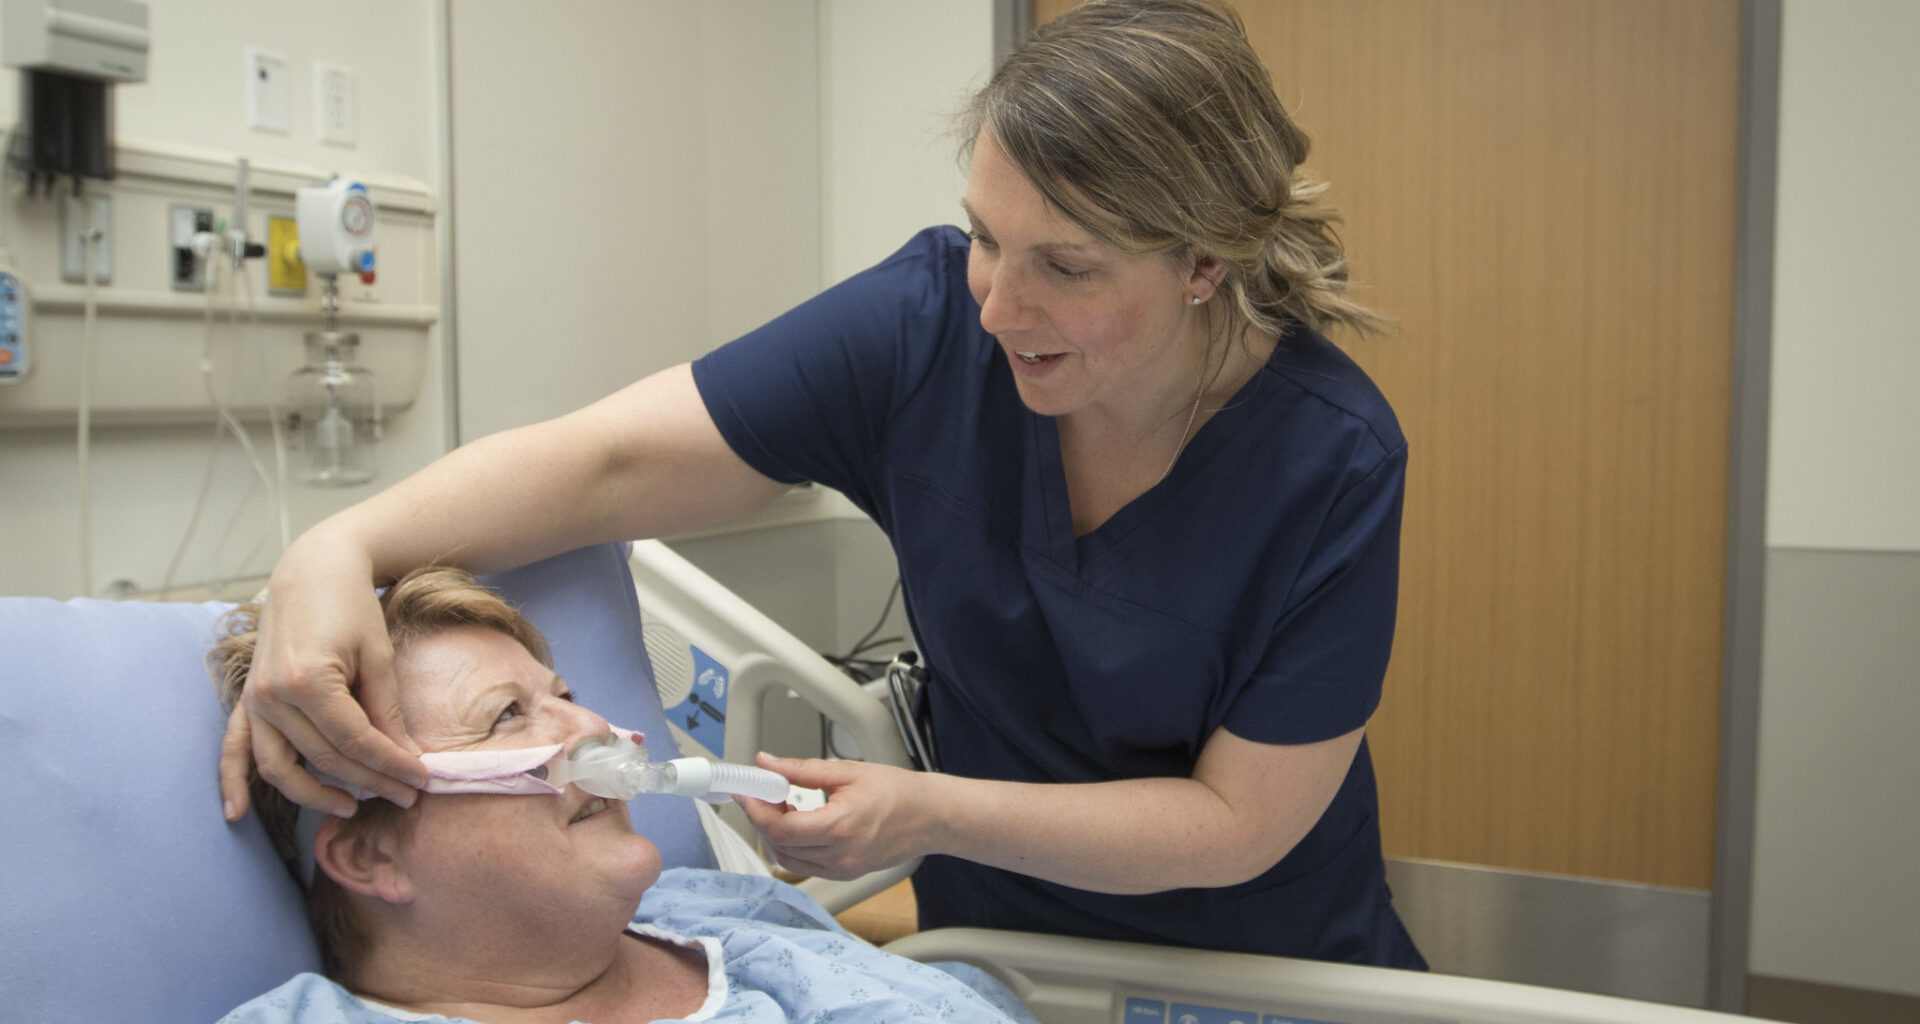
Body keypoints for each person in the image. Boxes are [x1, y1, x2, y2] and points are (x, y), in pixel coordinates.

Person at [223, 0, 1424, 969]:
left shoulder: (1330, 460)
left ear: (1205, 263)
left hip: (1265, 969)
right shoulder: (922, 329)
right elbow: (608, 463)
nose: (998, 309)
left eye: (1066, 267)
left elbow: (1234, 822)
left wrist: (928, 811)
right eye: (986, 238)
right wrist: (336, 548)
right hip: (989, 960)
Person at [210, 567, 1041, 1024]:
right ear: (370, 855)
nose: (595, 726)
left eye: (566, 694)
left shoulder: (731, 913)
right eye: (506, 716)